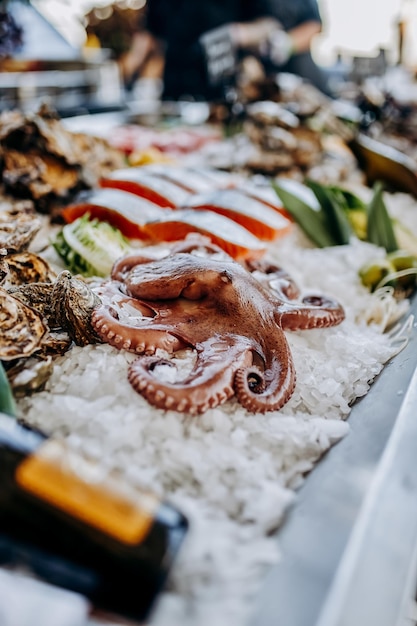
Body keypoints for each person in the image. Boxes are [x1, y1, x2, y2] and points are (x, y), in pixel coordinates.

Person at [121, 0, 330, 100]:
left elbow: (270, 23)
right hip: (175, 92)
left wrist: (238, 33)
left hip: (223, 92)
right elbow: (149, 32)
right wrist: (126, 72)